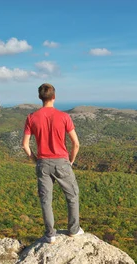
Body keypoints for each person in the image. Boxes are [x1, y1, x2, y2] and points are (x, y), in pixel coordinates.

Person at [22, 83, 83, 243]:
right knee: (72, 196)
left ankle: (50, 234)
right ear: (54, 97)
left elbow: (25, 145)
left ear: (40, 97)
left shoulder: (31, 118)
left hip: (42, 163)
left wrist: (35, 159)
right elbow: (76, 144)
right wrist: (71, 160)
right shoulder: (64, 117)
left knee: (46, 200)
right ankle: (74, 230)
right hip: (62, 162)